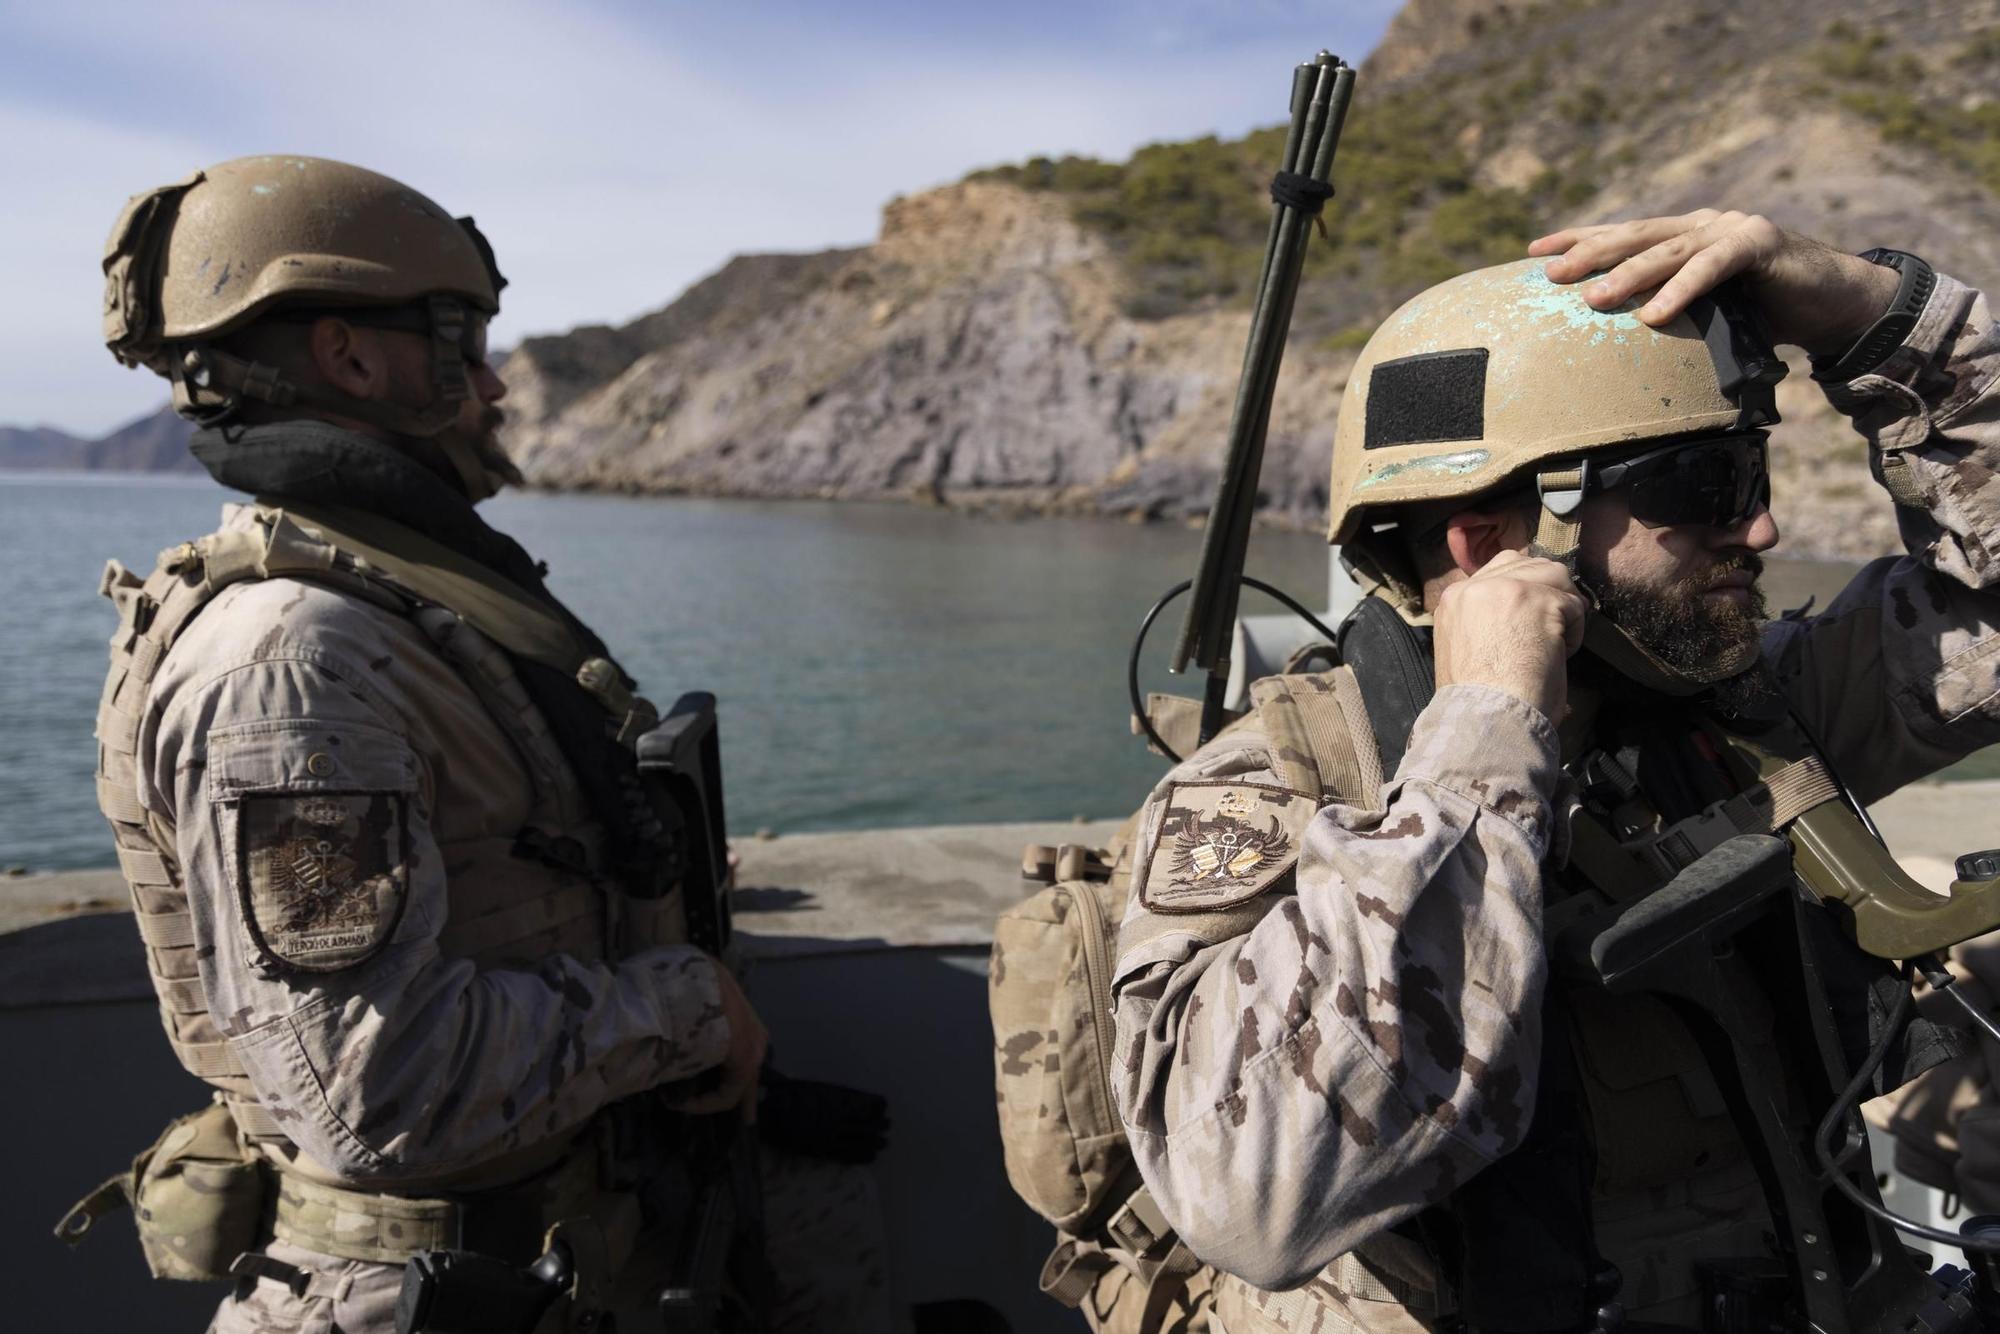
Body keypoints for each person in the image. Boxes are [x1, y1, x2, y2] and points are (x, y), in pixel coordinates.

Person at [1108, 209, 2000, 1331]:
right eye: (1705, 483)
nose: (1762, 527)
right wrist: (1487, 726)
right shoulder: (1262, 796)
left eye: (1752, 468)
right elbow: (1258, 1197)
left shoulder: (1736, 715)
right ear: (1490, 546)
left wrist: (1879, 320)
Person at [74, 155, 891, 1333]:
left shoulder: (389, 605)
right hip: (423, 1292)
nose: (494, 384)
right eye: (457, 338)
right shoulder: (294, 660)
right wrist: (688, 1005)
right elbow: (375, 1087)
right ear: (351, 355)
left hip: (541, 1260)